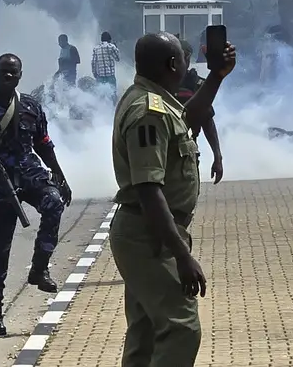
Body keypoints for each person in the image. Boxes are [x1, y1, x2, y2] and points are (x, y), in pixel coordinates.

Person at [110, 33, 235, 367]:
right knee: (181, 326)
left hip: (148, 232)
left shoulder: (154, 101)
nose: (186, 63)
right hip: (149, 235)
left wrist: (216, 77)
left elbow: (187, 121)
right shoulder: (147, 111)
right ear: (172, 64)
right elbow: (148, 190)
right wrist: (181, 256)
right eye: (182, 57)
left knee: (147, 331)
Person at [0, 54, 72, 337]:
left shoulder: (31, 106)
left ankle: (39, 268)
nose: (8, 77)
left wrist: (59, 174)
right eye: (3, 72)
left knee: (54, 202)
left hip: (29, 172)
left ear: (21, 75)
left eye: (13, 73)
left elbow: (43, 143)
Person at [174, 39, 224, 185]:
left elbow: (207, 122)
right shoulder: (159, 85)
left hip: (187, 152)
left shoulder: (197, 85)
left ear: (188, 59)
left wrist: (218, 156)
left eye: (183, 57)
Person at [91, 32, 122, 103]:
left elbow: (93, 62)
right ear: (109, 39)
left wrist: (94, 73)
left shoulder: (96, 48)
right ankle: (113, 110)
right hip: (110, 75)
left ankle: (102, 110)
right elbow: (117, 59)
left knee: (100, 95)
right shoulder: (111, 47)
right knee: (112, 94)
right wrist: (116, 48)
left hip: (100, 76)